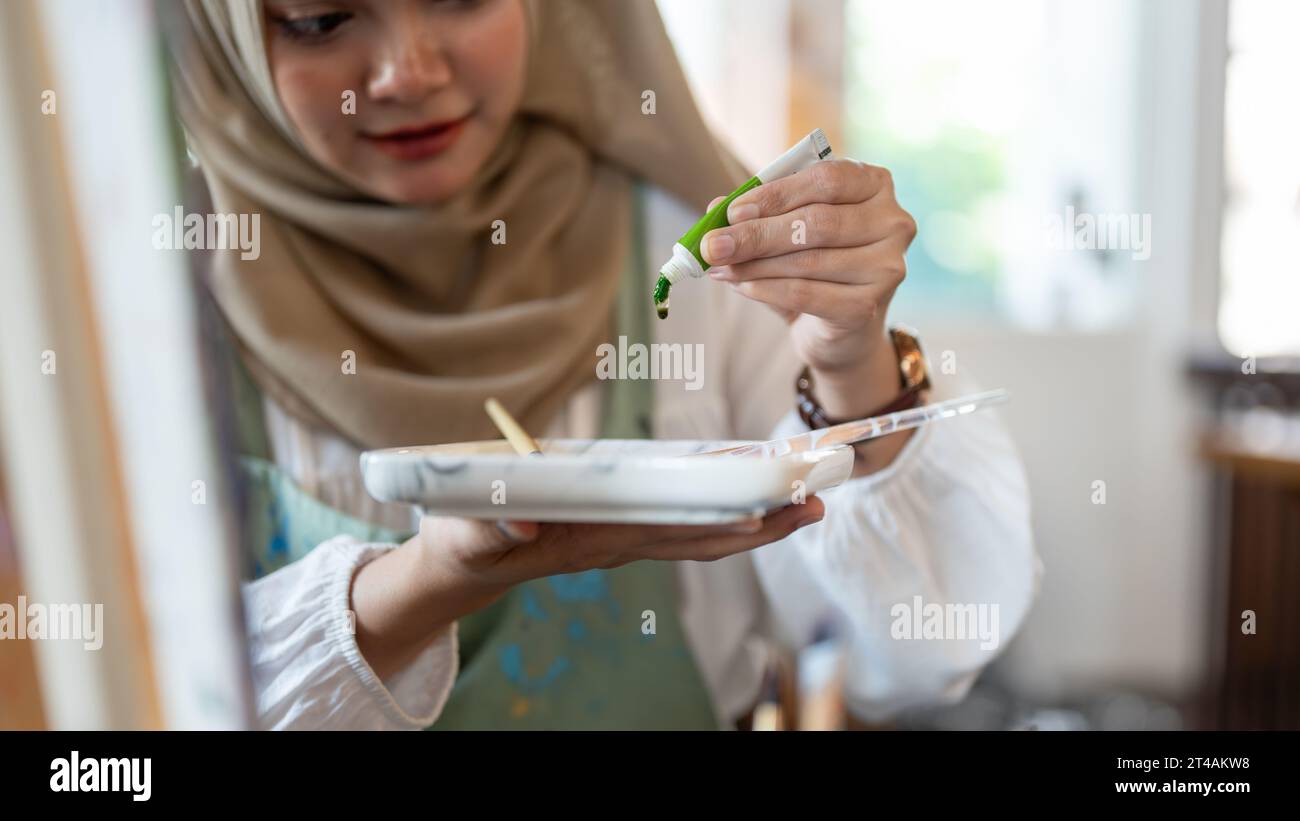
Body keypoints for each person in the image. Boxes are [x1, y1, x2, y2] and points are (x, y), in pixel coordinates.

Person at [163, 0, 1040, 730]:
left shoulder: (683, 247)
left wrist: (852, 361)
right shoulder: (146, 292)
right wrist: (420, 585)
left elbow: (920, 655)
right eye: (321, 19)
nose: (408, 71)